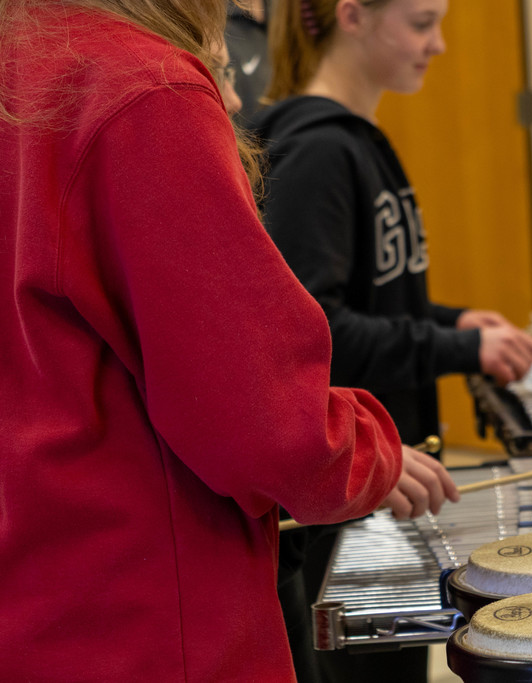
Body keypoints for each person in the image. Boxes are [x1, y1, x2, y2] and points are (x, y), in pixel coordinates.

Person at [0, 0, 457, 679]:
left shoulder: (23, 58)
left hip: (40, 603)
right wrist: (368, 450)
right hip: (151, 622)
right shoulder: (143, 87)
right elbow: (263, 420)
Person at [254, 0, 532, 679]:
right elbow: (317, 336)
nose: (438, 44)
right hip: (344, 505)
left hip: (388, 478)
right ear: (351, 16)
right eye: (420, 23)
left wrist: (452, 322)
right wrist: (458, 352)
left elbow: (373, 296)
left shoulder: (353, 140)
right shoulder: (318, 151)